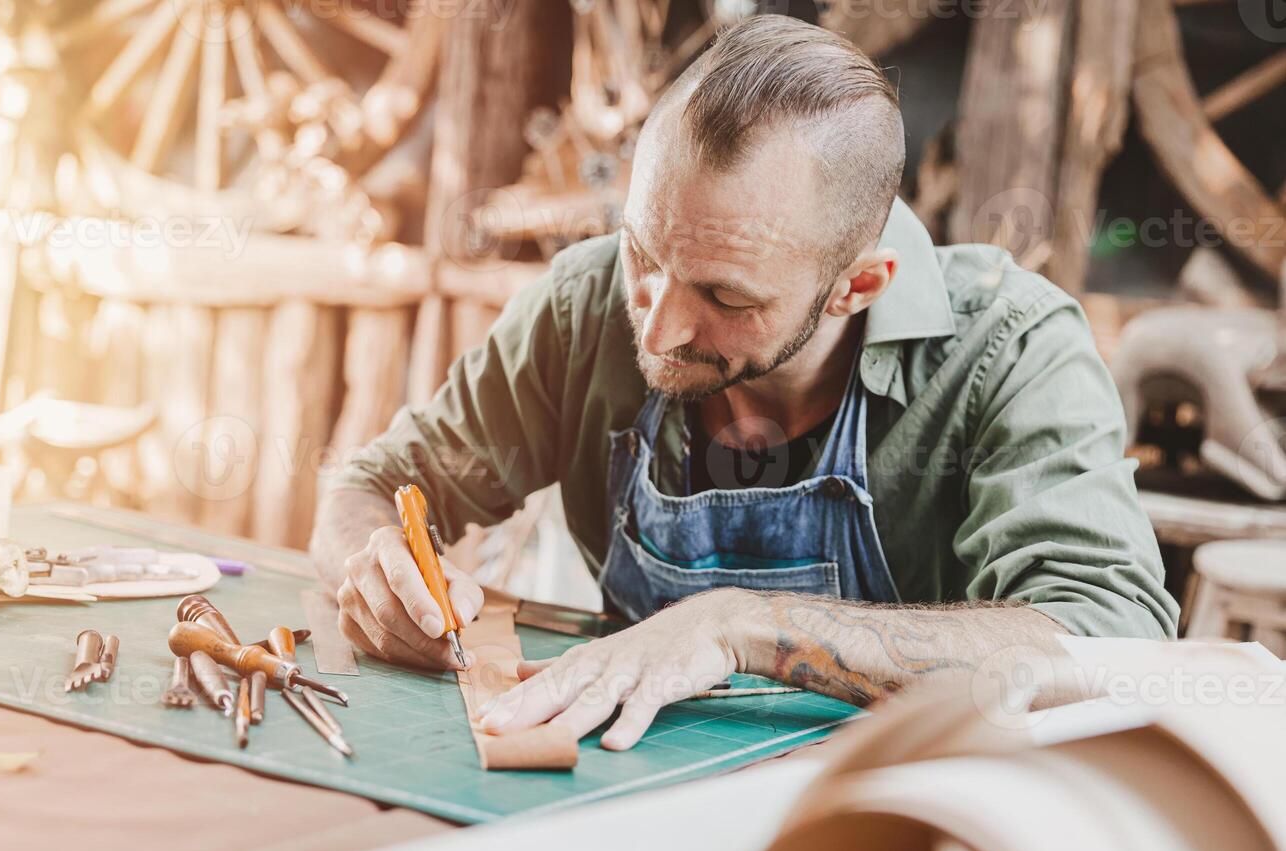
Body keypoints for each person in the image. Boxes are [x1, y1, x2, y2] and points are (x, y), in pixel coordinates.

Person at [311, 15, 1178, 750]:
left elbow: (1109, 644)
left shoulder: (1011, 349)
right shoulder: (584, 306)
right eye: (645, 253)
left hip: (900, 823)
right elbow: (373, 485)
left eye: (725, 296)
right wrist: (374, 567)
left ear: (858, 285)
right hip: (626, 794)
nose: (657, 327)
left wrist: (741, 628)